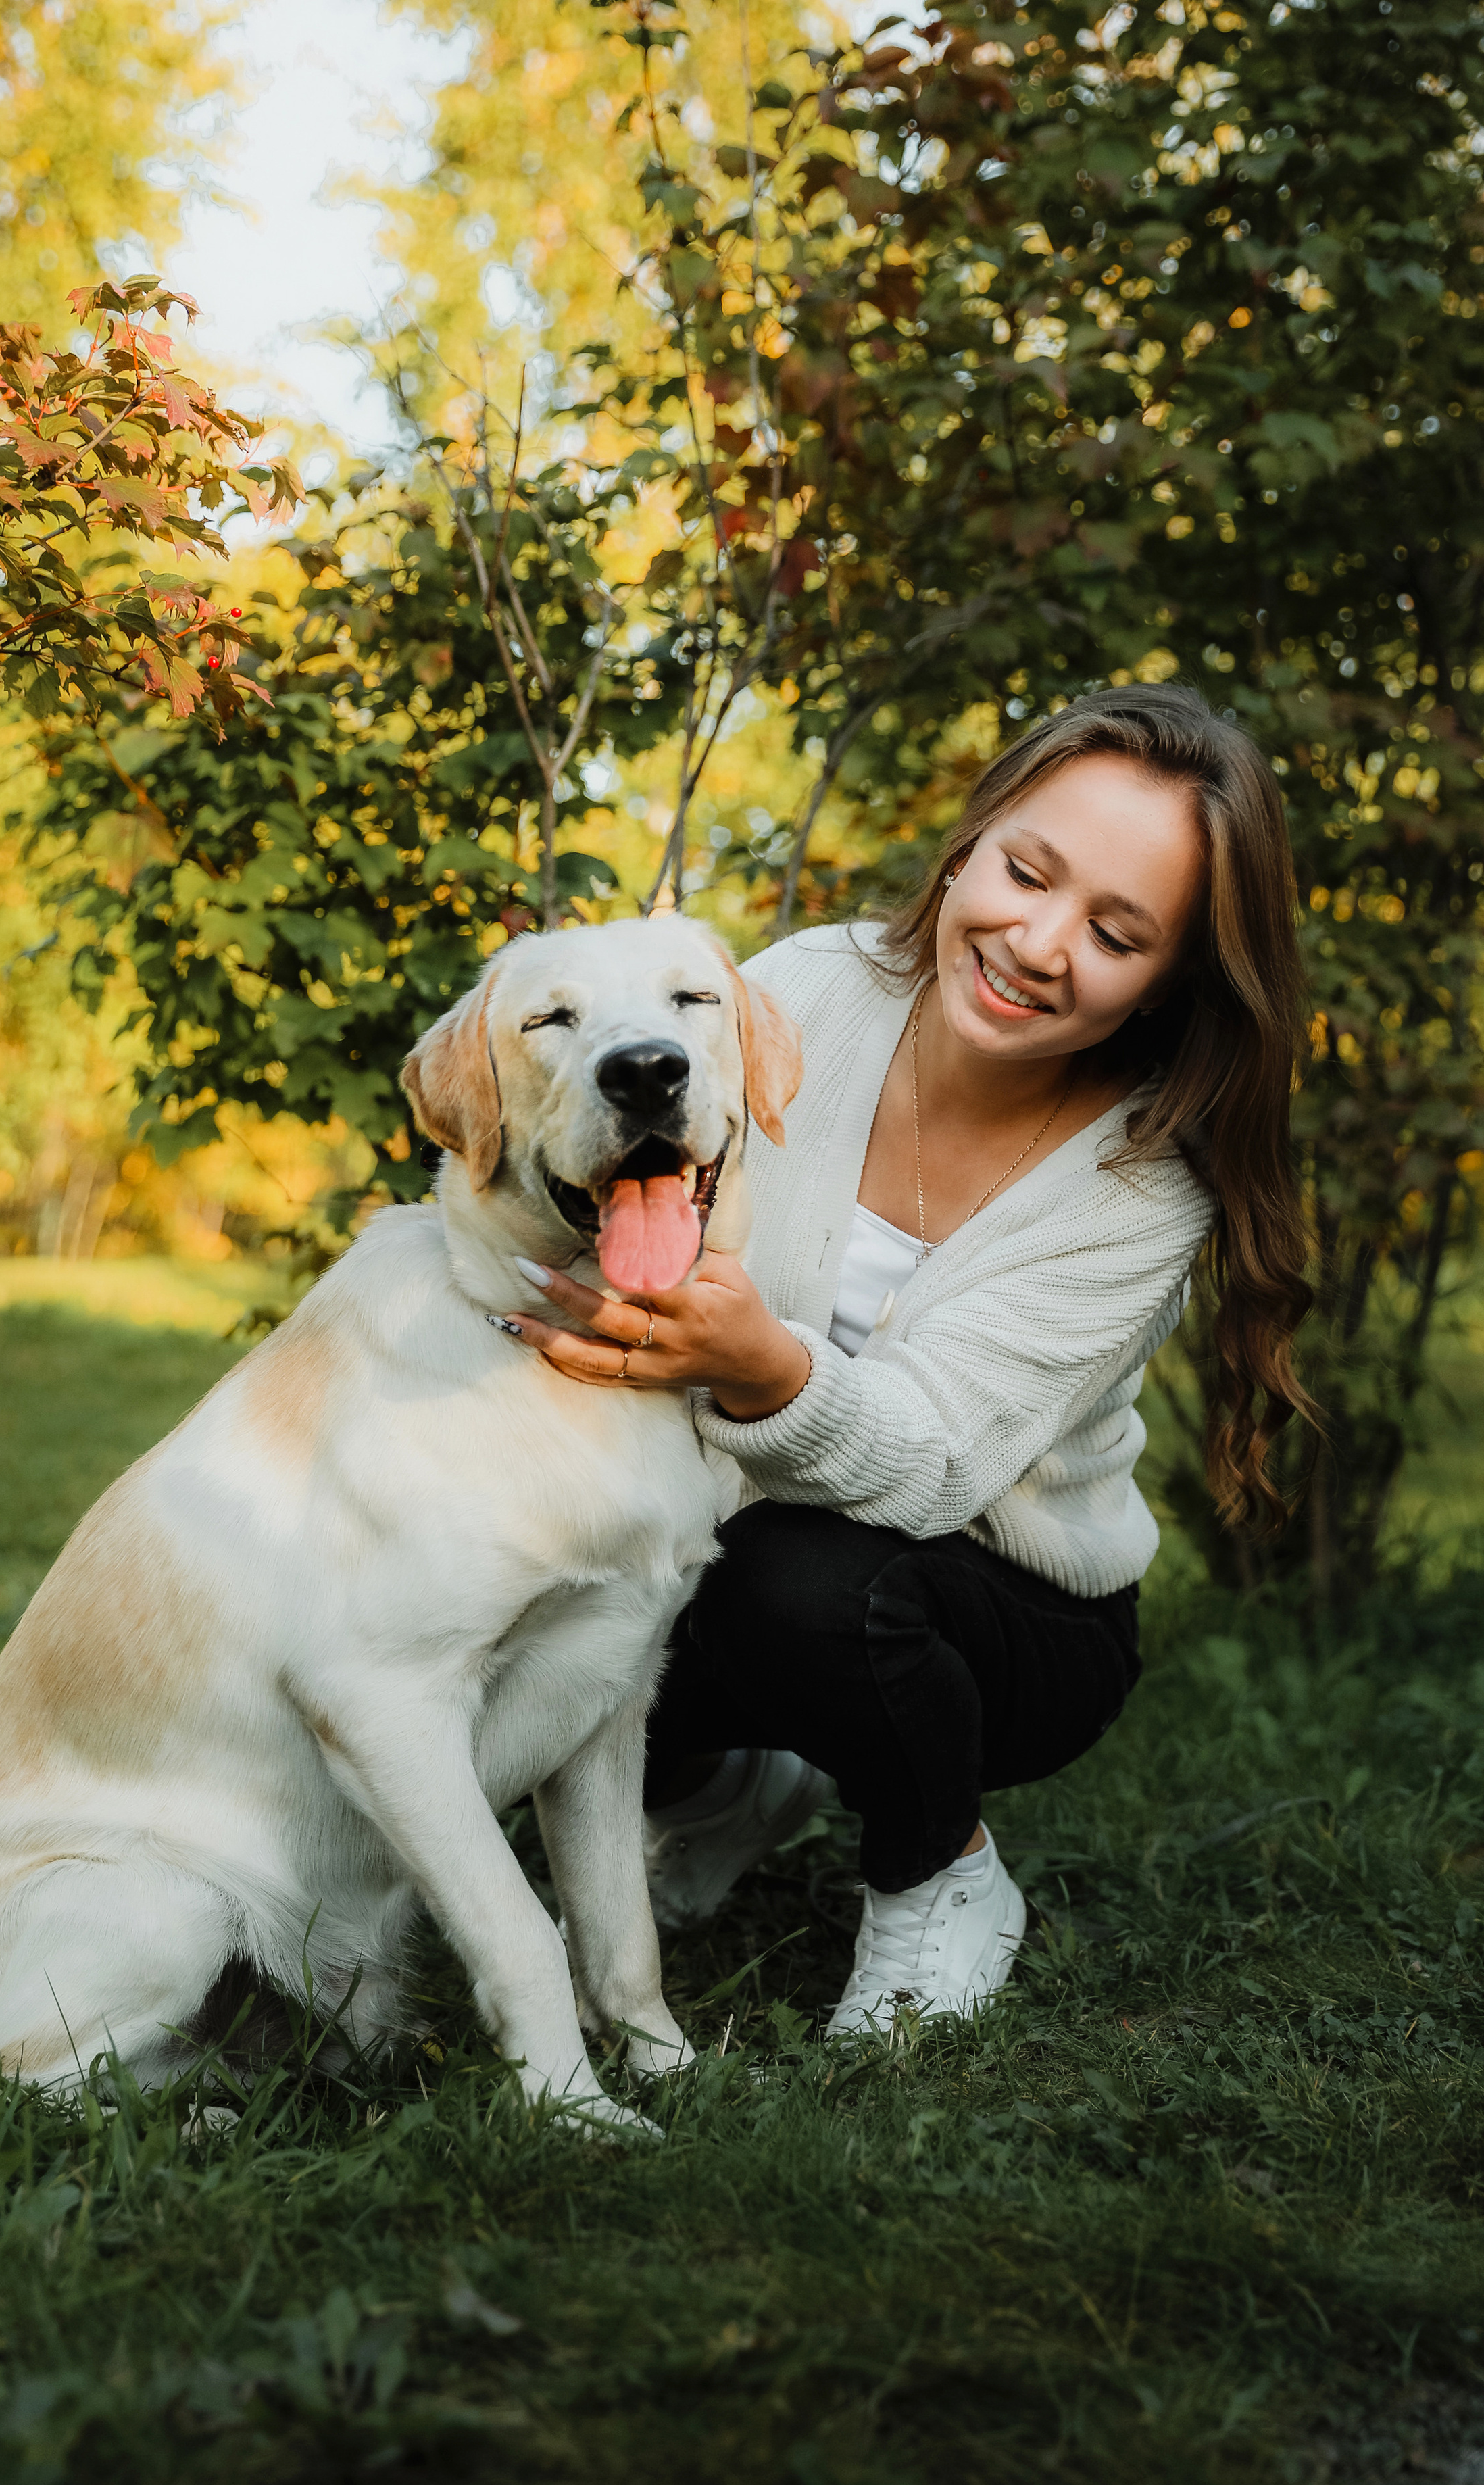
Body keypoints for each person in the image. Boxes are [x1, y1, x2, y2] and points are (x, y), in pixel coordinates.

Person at [501, 685, 1315, 2037]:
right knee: (565, 1562)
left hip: (1005, 1603)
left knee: (799, 1582)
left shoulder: (1136, 1191)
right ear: (969, 843)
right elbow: (627, 1159)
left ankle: (936, 1869)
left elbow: (932, 1462)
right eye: (1024, 871)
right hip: (724, 1521)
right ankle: (723, 1786)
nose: (1035, 943)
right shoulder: (808, 989)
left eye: (1114, 934)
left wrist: (758, 1363)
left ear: (1172, 979)